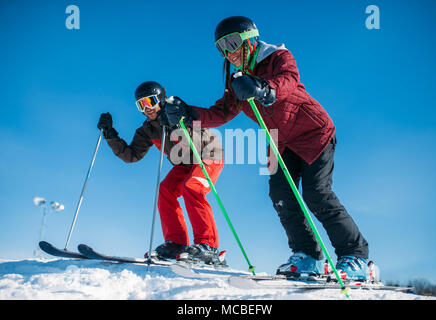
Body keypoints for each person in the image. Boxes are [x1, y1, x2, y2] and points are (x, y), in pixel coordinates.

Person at [164, 16, 369, 280]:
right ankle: (307, 255)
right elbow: (222, 112)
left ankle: (355, 256)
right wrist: (188, 112)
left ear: (250, 40)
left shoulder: (278, 56)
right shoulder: (236, 80)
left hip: (313, 132)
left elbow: (288, 81)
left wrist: (263, 88)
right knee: (281, 196)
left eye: (232, 42)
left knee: (317, 194)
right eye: (221, 47)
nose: (229, 52)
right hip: (280, 141)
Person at [97, 81, 225, 264]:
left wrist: (175, 125)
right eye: (141, 104)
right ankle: (177, 244)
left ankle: (208, 245)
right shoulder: (147, 130)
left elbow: (193, 144)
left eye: (150, 101)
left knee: (192, 187)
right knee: (165, 190)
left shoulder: (178, 112)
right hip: (184, 164)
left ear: (161, 100)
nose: (147, 108)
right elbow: (131, 155)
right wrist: (110, 135)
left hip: (208, 154)